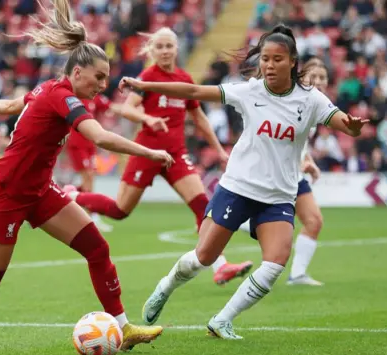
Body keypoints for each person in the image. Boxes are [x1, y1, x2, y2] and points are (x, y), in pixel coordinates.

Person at [0, 0, 172, 352]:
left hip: (39, 191)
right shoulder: (62, 97)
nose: (102, 84)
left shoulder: (47, 89)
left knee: (97, 247)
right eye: (98, 77)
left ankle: (122, 329)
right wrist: (151, 151)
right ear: (77, 73)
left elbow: (15, 104)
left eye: (106, 78)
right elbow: (100, 137)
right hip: (5, 191)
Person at [124, 24, 368, 339]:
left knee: (276, 261)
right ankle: (166, 285)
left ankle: (222, 320)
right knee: (203, 258)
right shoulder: (249, 90)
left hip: (279, 194)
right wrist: (146, 85)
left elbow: (343, 124)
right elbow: (196, 92)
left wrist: (352, 127)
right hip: (238, 187)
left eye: (276, 59)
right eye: (265, 58)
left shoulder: (311, 99)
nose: (268, 65)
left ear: (292, 61)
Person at [64, 27, 253, 285]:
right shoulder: (147, 77)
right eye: (160, 47)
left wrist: (219, 151)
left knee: (202, 206)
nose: (165, 51)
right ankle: (73, 195)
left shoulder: (185, 79)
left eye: (169, 46)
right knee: (120, 210)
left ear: (176, 49)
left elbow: (200, 119)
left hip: (175, 154)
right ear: (152, 51)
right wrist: (147, 118)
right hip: (147, 152)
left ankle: (220, 266)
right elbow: (128, 109)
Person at [237, 57, 328, 286]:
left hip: (293, 175)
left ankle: (297, 275)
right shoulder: (289, 100)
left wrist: (308, 162)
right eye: (313, 77)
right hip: (273, 174)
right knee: (280, 233)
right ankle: (244, 221)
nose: (318, 81)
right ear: (301, 78)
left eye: (322, 77)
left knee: (314, 221)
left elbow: (298, 143)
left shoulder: (315, 105)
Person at [64, 94, 115, 232]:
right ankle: (92, 217)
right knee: (88, 177)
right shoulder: (73, 98)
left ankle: (66, 194)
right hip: (77, 143)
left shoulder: (94, 97)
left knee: (90, 178)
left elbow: (110, 106)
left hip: (90, 144)